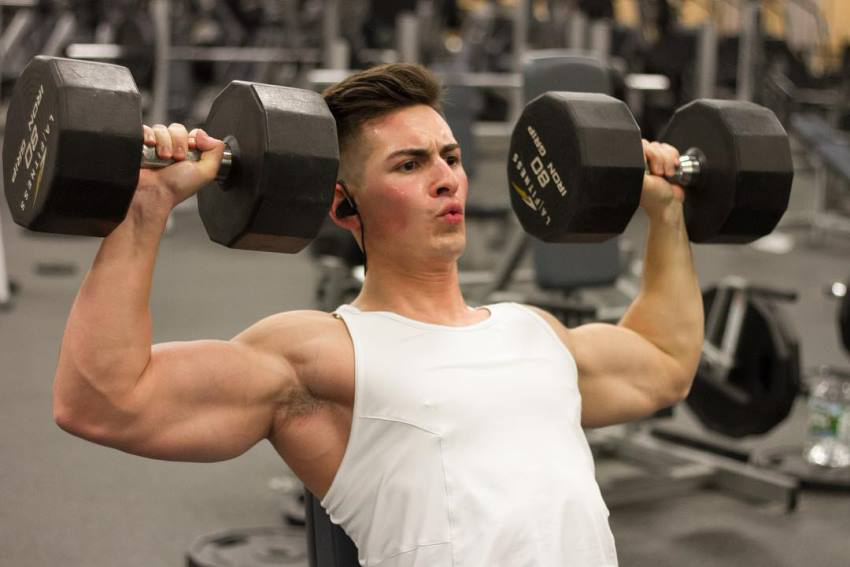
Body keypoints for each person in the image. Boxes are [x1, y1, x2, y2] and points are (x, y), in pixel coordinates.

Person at [53, 63, 703, 566]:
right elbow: (103, 400)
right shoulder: (321, 356)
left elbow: (664, 364)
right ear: (344, 207)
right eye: (410, 164)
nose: (446, 179)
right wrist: (145, 211)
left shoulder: (533, 332)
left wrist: (667, 216)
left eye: (449, 157)